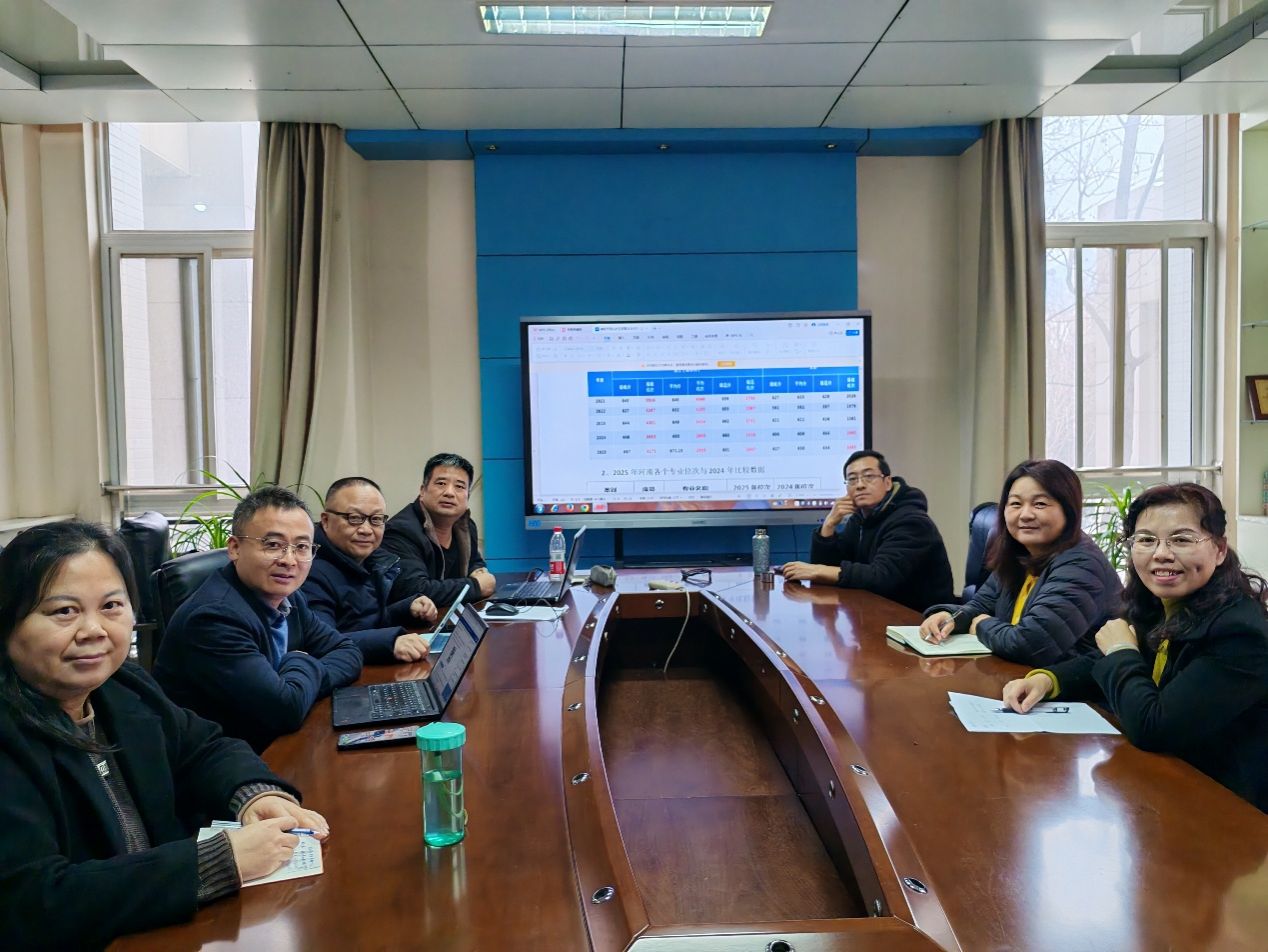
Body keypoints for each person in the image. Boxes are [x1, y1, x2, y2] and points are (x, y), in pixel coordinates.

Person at [0, 522, 331, 950]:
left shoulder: (124, 686)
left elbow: (204, 748)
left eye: (112, 606)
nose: (94, 630)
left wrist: (254, 794)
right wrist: (213, 863)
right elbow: (34, 901)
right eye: (64, 611)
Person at [1002, 483, 1268, 812]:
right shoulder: (1159, 603)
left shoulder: (1240, 632)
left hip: (1226, 807)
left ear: (1219, 549)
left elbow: (1154, 727)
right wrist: (1047, 680)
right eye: (1146, 540)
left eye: (1181, 540)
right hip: (1162, 787)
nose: (1161, 554)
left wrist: (1121, 652)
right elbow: (1105, 660)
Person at [154, 486, 363, 752]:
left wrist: (299, 678)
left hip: (275, 743)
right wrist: (300, 659)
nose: (289, 560)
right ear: (234, 548)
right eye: (273, 545)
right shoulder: (213, 618)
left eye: (301, 547)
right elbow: (285, 709)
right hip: (222, 759)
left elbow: (347, 651)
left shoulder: (290, 597)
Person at [920, 458, 1121, 666]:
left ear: (1069, 511)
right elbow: (981, 605)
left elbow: (1031, 645)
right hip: (1021, 676)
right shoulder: (1022, 554)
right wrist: (950, 617)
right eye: (1015, 504)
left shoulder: (1081, 565)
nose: (1025, 515)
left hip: (1075, 683)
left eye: (1040, 504)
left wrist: (982, 625)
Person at [781, 450, 955, 612]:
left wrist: (818, 570)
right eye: (852, 479)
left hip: (918, 621)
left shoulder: (912, 522)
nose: (860, 485)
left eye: (869, 477)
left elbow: (883, 577)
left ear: (887, 482)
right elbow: (829, 571)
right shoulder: (860, 519)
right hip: (877, 612)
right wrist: (828, 525)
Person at [303, 476, 440, 664]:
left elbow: (361, 620)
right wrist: (390, 642)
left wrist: (406, 609)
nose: (366, 530)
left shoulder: (369, 559)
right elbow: (321, 642)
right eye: (354, 518)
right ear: (326, 521)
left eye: (376, 519)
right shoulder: (308, 569)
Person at [383, 452, 497, 605]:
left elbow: (474, 562)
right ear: (422, 490)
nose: (449, 493)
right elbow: (415, 590)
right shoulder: (400, 532)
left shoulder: (465, 525)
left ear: (467, 496)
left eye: (459, 486)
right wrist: (476, 586)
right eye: (441, 483)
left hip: (454, 615)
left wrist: (478, 571)